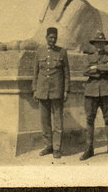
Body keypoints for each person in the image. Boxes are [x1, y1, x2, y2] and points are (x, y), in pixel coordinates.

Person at [32, 27, 70, 159]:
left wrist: (66, 90)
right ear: (46, 37)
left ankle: (57, 148)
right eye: (51, 37)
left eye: (55, 38)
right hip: (42, 91)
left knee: (58, 122)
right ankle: (48, 146)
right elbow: (35, 73)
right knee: (45, 121)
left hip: (57, 91)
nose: (53, 40)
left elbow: (66, 73)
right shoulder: (39, 51)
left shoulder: (62, 52)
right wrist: (35, 90)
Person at [80, 30, 108, 161]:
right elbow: (84, 71)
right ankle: (89, 149)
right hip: (91, 92)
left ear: (104, 44)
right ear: (94, 44)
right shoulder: (89, 57)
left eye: (101, 43)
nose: (99, 45)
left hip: (107, 91)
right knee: (89, 119)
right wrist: (101, 68)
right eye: (97, 43)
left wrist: (94, 68)